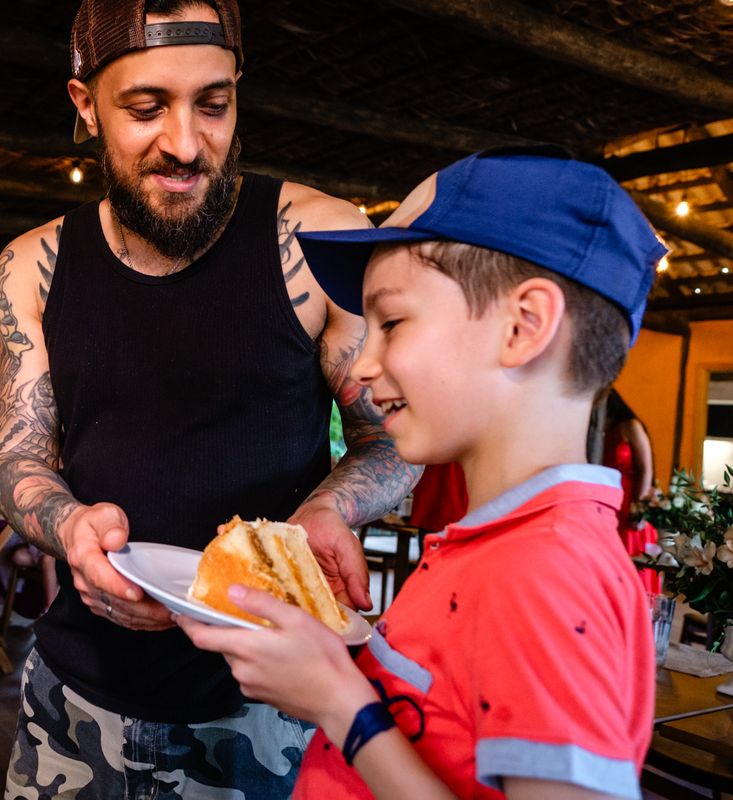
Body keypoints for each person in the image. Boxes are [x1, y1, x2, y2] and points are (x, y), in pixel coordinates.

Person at [0, 0, 418, 796]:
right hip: (74, 699)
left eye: (213, 105)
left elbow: (389, 437)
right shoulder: (30, 266)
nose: (186, 144)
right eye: (146, 107)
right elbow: (18, 454)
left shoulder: (320, 239)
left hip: (271, 712)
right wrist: (71, 527)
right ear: (84, 104)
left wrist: (327, 514)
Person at [180, 146, 661, 799]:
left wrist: (341, 705)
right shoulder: (503, 547)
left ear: (523, 326)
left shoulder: (545, 574)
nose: (365, 362)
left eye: (393, 322)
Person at [602, 389, 660, 592]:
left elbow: (646, 468)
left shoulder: (630, 426)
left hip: (631, 503)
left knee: (630, 569)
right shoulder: (601, 433)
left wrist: (640, 509)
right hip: (610, 506)